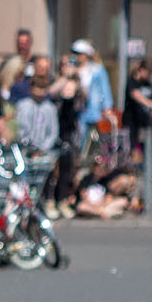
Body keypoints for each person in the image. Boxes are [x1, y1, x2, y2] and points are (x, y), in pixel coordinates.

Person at [47, 54, 82, 216]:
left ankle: (63, 200)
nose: (68, 67)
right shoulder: (56, 81)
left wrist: (75, 80)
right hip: (54, 129)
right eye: (65, 64)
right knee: (52, 167)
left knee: (67, 166)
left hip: (70, 131)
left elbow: (84, 97)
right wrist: (65, 78)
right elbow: (51, 93)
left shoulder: (76, 84)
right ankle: (49, 201)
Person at [73, 38, 114, 143]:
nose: (77, 56)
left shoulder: (97, 69)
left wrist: (107, 108)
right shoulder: (73, 69)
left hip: (94, 112)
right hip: (76, 113)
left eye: (79, 53)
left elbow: (105, 89)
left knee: (94, 142)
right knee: (79, 142)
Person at [0, 28, 34, 95]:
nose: (22, 46)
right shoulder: (8, 63)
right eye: (20, 43)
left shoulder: (35, 63)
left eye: (25, 43)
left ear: (30, 44)